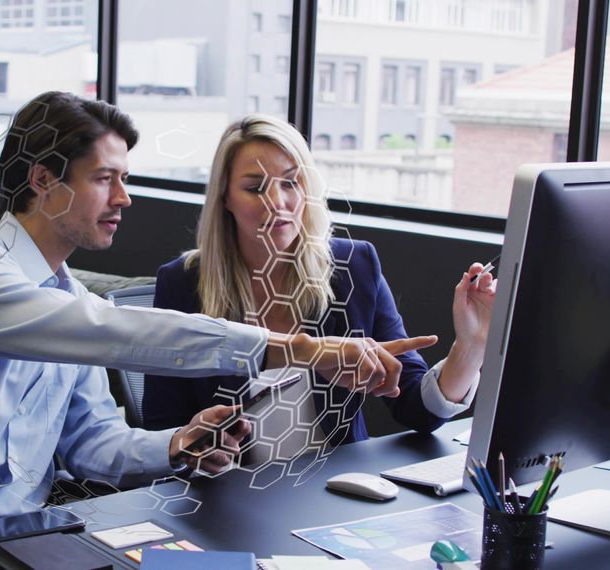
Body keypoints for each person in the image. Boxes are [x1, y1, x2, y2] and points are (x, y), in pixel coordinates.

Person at [0, 93, 438, 568]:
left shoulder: (66, 297)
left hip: (16, 531)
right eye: (105, 178)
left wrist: (179, 443)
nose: (125, 198)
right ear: (44, 181)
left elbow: (94, 444)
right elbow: (113, 331)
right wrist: (302, 350)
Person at [141, 114, 497, 465]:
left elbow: (419, 411)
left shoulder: (353, 268)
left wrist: (471, 345)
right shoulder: (183, 284)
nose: (277, 202)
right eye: (254, 188)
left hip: (331, 493)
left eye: (291, 183)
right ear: (224, 198)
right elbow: (163, 426)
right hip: (227, 497)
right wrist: (197, 447)